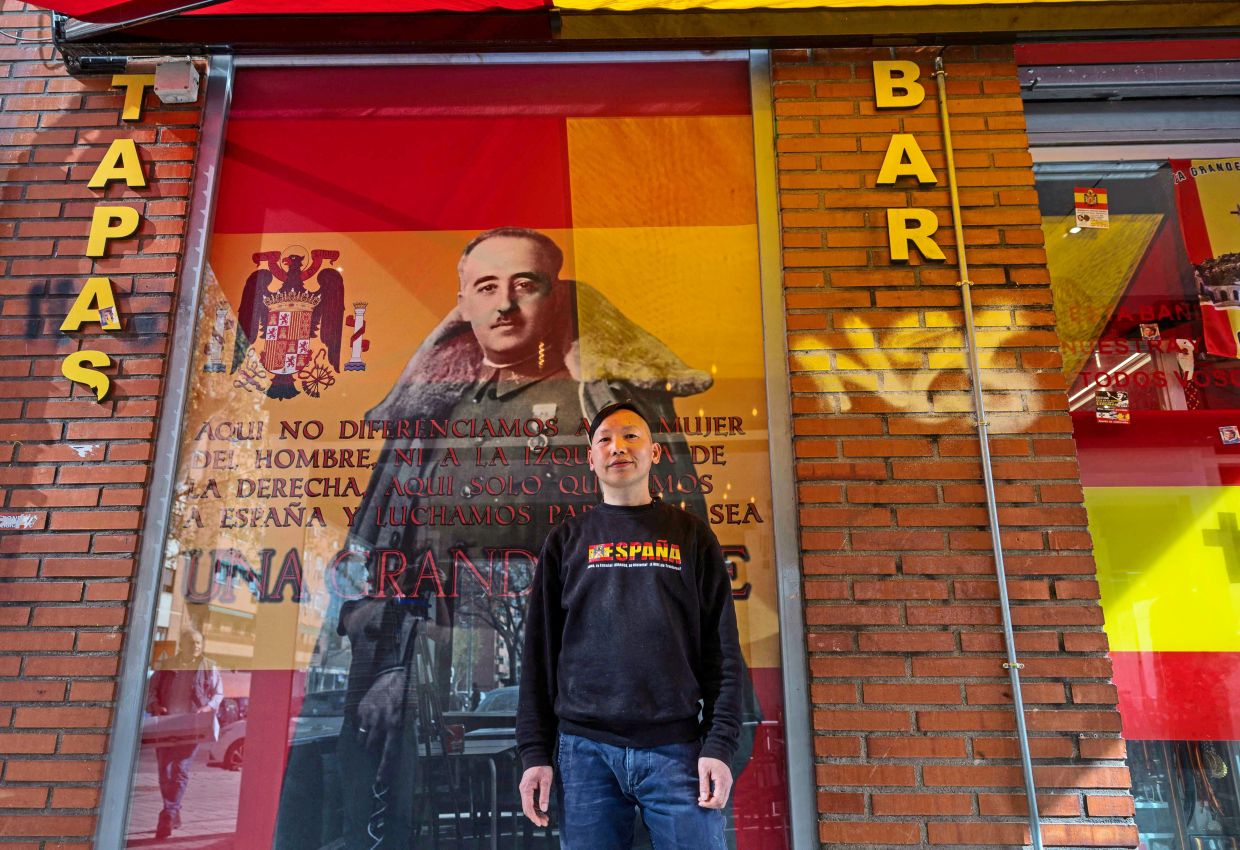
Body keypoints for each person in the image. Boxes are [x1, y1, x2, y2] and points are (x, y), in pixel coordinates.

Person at [274, 227, 715, 850]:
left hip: (599, 691)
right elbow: (384, 562)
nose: (505, 304)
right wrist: (389, 672)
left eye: (525, 285)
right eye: (487, 287)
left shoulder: (612, 410)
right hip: (441, 680)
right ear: (465, 303)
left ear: (554, 296)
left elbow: (677, 567)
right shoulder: (429, 413)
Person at [516, 400, 743, 850]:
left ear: (655, 453)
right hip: (584, 754)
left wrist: (719, 745)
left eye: (631, 436)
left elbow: (723, 653)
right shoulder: (566, 540)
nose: (617, 446)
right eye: (604, 439)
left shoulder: (691, 536)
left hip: (678, 751)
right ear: (591, 459)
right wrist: (534, 753)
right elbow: (538, 655)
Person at [146, 627, 223, 840]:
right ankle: (174, 811)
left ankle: (167, 815)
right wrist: (155, 705)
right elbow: (150, 689)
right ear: (182, 644)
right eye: (192, 642)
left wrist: (207, 707)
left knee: (180, 770)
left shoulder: (209, 666)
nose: (196, 646)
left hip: (192, 726)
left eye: (199, 643)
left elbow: (218, 693)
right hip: (167, 724)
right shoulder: (167, 665)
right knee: (165, 771)